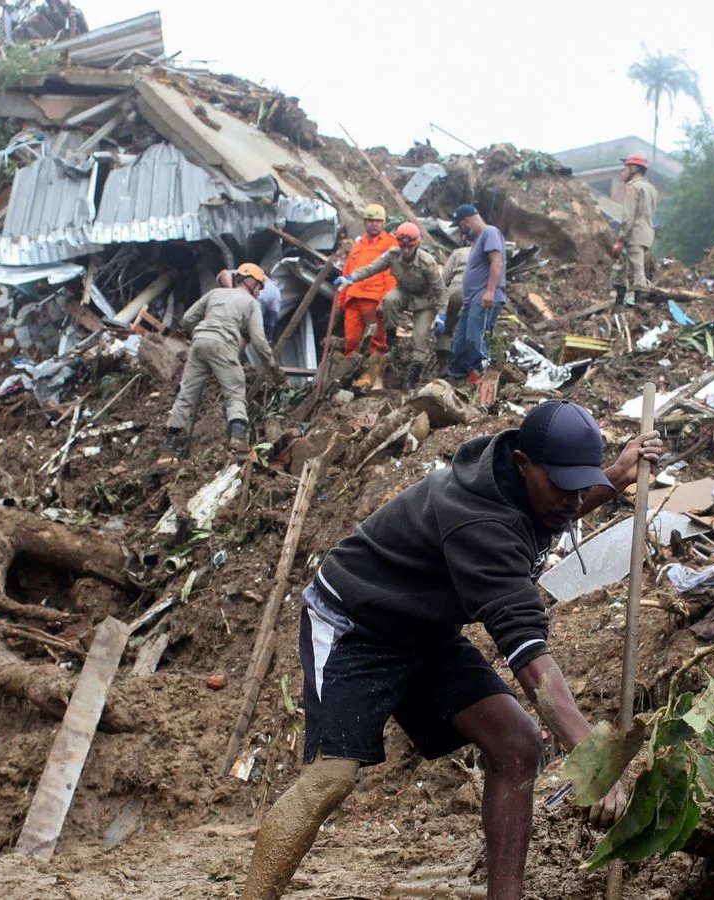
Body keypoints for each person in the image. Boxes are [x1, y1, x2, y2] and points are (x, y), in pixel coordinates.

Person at [241, 400, 659, 900]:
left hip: (424, 627)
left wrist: (614, 476)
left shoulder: (521, 480)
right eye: (562, 484)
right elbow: (529, 659)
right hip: (356, 622)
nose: (573, 500)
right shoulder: (479, 523)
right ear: (525, 463)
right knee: (329, 778)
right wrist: (595, 758)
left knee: (517, 744)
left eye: (580, 483)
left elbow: (556, 503)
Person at [165, 263, 285, 454]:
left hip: (199, 343)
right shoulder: (251, 303)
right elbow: (259, 341)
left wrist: (201, 333)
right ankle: (237, 439)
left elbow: (187, 318)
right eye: (259, 287)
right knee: (235, 391)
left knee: (187, 392)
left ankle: (170, 442)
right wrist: (273, 366)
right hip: (223, 345)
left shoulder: (215, 293)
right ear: (251, 282)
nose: (260, 293)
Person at [336, 222, 443, 389]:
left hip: (425, 301)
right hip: (404, 292)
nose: (406, 250)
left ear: (417, 245)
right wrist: (350, 278)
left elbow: (441, 291)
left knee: (420, 337)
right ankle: (392, 340)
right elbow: (372, 268)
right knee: (389, 299)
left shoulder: (427, 263)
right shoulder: (393, 255)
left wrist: (441, 315)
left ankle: (412, 379)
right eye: (403, 246)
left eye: (410, 247)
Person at [334, 204, 399, 387]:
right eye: (370, 220)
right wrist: (341, 302)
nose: (373, 225)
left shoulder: (389, 244)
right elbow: (348, 273)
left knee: (377, 342)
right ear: (365, 222)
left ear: (383, 223)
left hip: (374, 298)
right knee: (351, 342)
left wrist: (385, 300)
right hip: (353, 299)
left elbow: (391, 275)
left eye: (377, 221)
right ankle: (349, 380)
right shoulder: (358, 244)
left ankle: (374, 380)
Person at [446, 204, 506, 382]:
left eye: (460, 227)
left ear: (466, 221)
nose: (461, 231)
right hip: (472, 301)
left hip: (484, 298)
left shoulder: (490, 233)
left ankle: (480, 377)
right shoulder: (478, 240)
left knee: (475, 339)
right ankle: (456, 378)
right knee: (460, 342)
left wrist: (489, 292)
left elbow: (497, 262)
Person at [611, 154, 657, 305]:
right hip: (646, 234)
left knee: (637, 269)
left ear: (634, 168)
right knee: (622, 267)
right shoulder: (651, 189)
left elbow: (628, 217)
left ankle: (639, 306)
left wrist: (620, 239)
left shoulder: (634, 187)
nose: (623, 172)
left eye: (626, 167)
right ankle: (619, 303)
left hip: (634, 234)